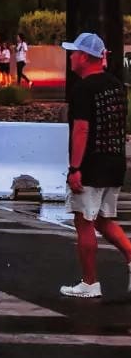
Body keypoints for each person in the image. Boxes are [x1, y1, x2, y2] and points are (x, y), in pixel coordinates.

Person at [58, 32, 131, 300]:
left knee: (84, 221)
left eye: (74, 53)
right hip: (114, 163)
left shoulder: (83, 89)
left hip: (91, 164)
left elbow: (81, 130)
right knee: (103, 219)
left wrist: (75, 168)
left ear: (85, 57)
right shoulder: (116, 86)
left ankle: (89, 282)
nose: (71, 57)